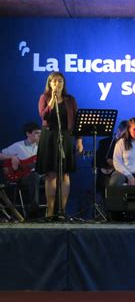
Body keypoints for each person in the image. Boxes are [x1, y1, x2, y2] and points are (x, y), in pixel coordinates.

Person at [36, 72, 83, 218]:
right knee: (51, 174)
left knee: (65, 174)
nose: (58, 84)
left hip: (66, 137)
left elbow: (76, 121)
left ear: (64, 83)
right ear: (49, 83)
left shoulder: (70, 100)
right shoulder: (44, 98)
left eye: (60, 81)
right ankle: (50, 211)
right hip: (49, 138)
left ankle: (62, 210)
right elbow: (44, 116)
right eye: (54, 81)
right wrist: (52, 101)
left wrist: (79, 140)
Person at [0, 122, 42, 219]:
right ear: (28, 134)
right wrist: (12, 157)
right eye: (36, 133)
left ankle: (55, 212)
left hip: (38, 176)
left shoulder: (41, 148)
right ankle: (33, 211)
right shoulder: (18, 146)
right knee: (34, 176)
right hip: (21, 178)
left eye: (40, 133)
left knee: (54, 177)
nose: (39, 135)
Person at [96, 120, 128, 194]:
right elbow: (95, 161)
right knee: (107, 183)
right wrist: (107, 163)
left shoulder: (130, 143)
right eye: (124, 134)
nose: (126, 138)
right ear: (119, 131)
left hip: (123, 173)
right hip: (107, 173)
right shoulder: (105, 142)